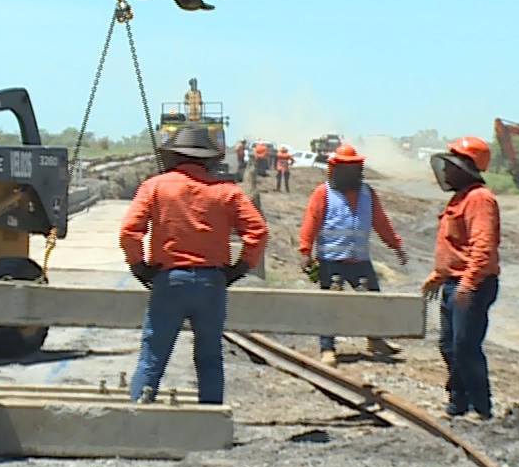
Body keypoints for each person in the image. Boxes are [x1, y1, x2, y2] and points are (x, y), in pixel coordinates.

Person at [121, 126, 268, 404]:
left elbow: (130, 231)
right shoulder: (226, 192)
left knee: (153, 355)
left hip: (169, 280)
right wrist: (239, 268)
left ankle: (139, 413)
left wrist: (139, 266)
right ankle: (210, 418)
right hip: (211, 282)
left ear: (173, 156)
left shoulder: (155, 187)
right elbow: (257, 231)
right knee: (209, 356)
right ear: (209, 160)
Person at [299, 144, 408, 366]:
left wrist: (396, 245)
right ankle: (327, 348)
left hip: (360, 260)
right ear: (335, 169)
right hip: (330, 261)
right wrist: (305, 251)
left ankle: (375, 340)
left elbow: (381, 222)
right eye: (345, 167)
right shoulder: (323, 193)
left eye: (354, 167)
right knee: (330, 306)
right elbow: (311, 222)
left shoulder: (368, 194)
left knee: (373, 301)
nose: (350, 172)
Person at [422, 136, 501, 421]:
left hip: (472, 285)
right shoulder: (460, 199)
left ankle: (481, 408)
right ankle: (458, 404)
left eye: (451, 166)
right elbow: (456, 246)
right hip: (454, 282)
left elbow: (482, 247)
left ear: (465, 168)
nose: (446, 172)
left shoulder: (480, 199)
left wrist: (468, 284)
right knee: (449, 345)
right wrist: (439, 274)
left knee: (465, 347)